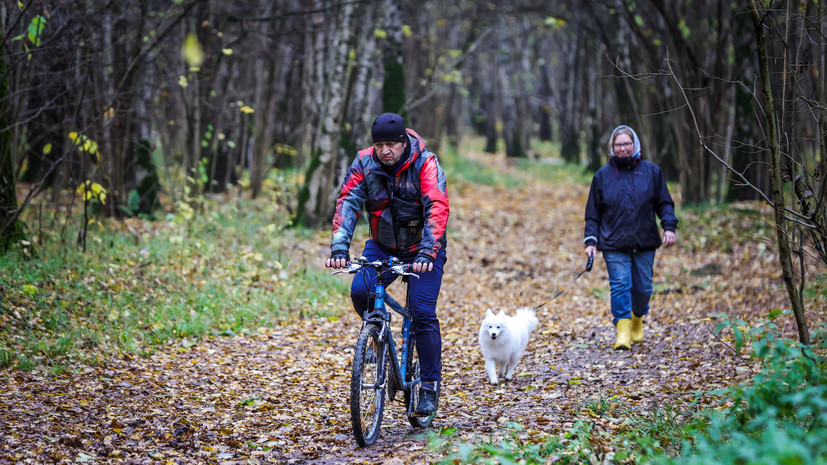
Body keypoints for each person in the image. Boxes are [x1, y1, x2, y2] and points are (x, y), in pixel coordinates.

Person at [326, 112, 449, 416]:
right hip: (382, 245)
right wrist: (340, 246)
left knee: (422, 313)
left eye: (391, 144)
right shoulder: (364, 163)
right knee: (360, 291)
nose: (385, 151)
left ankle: (430, 387)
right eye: (380, 144)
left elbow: (437, 206)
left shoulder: (426, 163)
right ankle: (378, 336)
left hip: (423, 249)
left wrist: (426, 253)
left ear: (403, 142)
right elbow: (348, 202)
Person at [583, 125, 677, 350]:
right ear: (612, 148)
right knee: (620, 285)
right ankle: (622, 331)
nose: (623, 148)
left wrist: (669, 227)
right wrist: (591, 240)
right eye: (618, 145)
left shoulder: (652, 172)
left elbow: (664, 203)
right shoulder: (602, 176)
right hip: (614, 242)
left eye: (627, 144)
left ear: (635, 145)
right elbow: (593, 213)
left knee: (643, 288)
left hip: (644, 241)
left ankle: (637, 318)